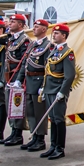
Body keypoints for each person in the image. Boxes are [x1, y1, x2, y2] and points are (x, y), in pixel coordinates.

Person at [39, 24, 78, 160]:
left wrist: (63, 91)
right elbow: (48, 71)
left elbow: (70, 75)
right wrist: (44, 88)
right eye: (53, 33)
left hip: (58, 90)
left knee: (59, 119)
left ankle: (59, 148)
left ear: (64, 35)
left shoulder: (67, 52)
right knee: (53, 119)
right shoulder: (54, 50)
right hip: (50, 89)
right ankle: (53, 146)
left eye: (56, 33)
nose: (53, 35)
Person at [18, 19, 53, 152]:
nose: (34, 29)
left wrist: (44, 85)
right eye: (34, 26)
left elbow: (48, 68)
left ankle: (40, 139)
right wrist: (19, 79)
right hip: (29, 81)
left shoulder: (48, 46)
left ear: (44, 29)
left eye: (37, 27)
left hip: (38, 82)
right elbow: (25, 63)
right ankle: (34, 135)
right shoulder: (32, 44)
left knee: (39, 112)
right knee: (31, 112)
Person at [1, 14, 30, 146]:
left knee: (16, 105)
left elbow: (24, 61)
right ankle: (13, 131)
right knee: (10, 105)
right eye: (10, 21)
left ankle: (18, 134)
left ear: (20, 24)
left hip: (17, 75)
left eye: (13, 22)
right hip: (9, 75)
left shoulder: (24, 40)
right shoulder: (12, 39)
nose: (10, 24)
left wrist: (19, 79)